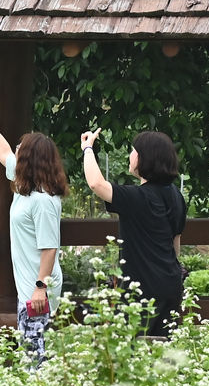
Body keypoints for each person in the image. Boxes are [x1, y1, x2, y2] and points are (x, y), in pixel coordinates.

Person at [0, 92, 67, 366]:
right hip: (31, 284)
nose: (14, 149)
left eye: (19, 147)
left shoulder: (43, 201)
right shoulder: (25, 188)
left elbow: (50, 248)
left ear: (28, 159)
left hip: (39, 285)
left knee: (35, 354)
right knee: (33, 349)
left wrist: (40, 288)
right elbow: (2, 153)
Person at [80, 127, 186, 336]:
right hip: (170, 284)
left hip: (142, 289)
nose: (130, 155)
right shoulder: (175, 195)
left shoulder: (138, 197)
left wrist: (88, 148)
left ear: (145, 158)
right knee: (163, 356)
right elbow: (176, 246)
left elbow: (96, 184)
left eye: (134, 151)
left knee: (136, 354)